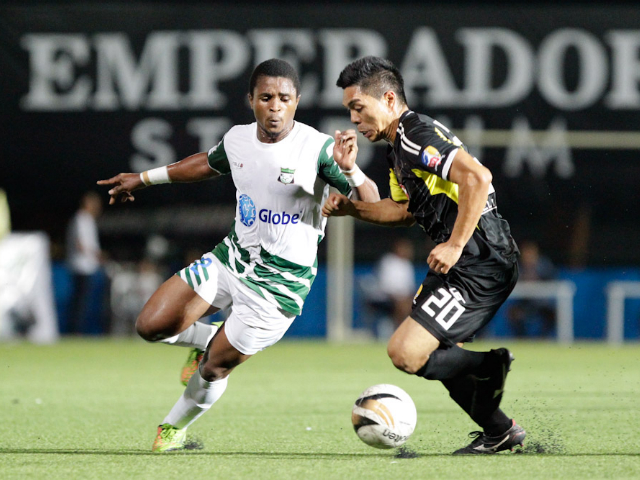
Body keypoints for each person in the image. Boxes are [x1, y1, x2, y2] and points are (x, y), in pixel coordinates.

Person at [98, 58, 379, 452]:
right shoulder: (237, 139)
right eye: (266, 98)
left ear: (296, 101)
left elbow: (373, 205)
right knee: (150, 325)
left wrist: (352, 172)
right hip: (231, 260)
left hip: (279, 287)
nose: (275, 107)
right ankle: (208, 338)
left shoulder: (317, 149)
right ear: (251, 100)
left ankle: (173, 428)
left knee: (214, 367)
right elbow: (205, 164)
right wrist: (143, 179)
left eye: (284, 98)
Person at [322, 56, 525, 455]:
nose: (354, 119)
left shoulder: (415, 134)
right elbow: (403, 211)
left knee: (406, 353)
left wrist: (455, 244)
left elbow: (477, 177)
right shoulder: (398, 149)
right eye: (349, 110)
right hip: (462, 260)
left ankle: (489, 367)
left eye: (358, 107)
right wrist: (351, 207)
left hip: (479, 258)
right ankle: (499, 430)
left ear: (389, 99)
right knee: (436, 352)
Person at [66, 191, 104, 334]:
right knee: (79, 302)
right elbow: (80, 244)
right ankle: (74, 331)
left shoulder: (88, 219)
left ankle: (77, 330)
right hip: (81, 266)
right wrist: (96, 255)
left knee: (83, 302)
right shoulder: (81, 219)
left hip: (88, 266)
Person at [506, 240, 556, 337]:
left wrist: (537, 279)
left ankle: (543, 338)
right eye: (526, 253)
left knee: (553, 314)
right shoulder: (517, 267)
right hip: (524, 303)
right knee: (513, 313)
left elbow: (552, 283)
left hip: (541, 303)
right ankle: (521, 339)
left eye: (531, 253)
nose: (528, 256)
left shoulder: (545, 266)